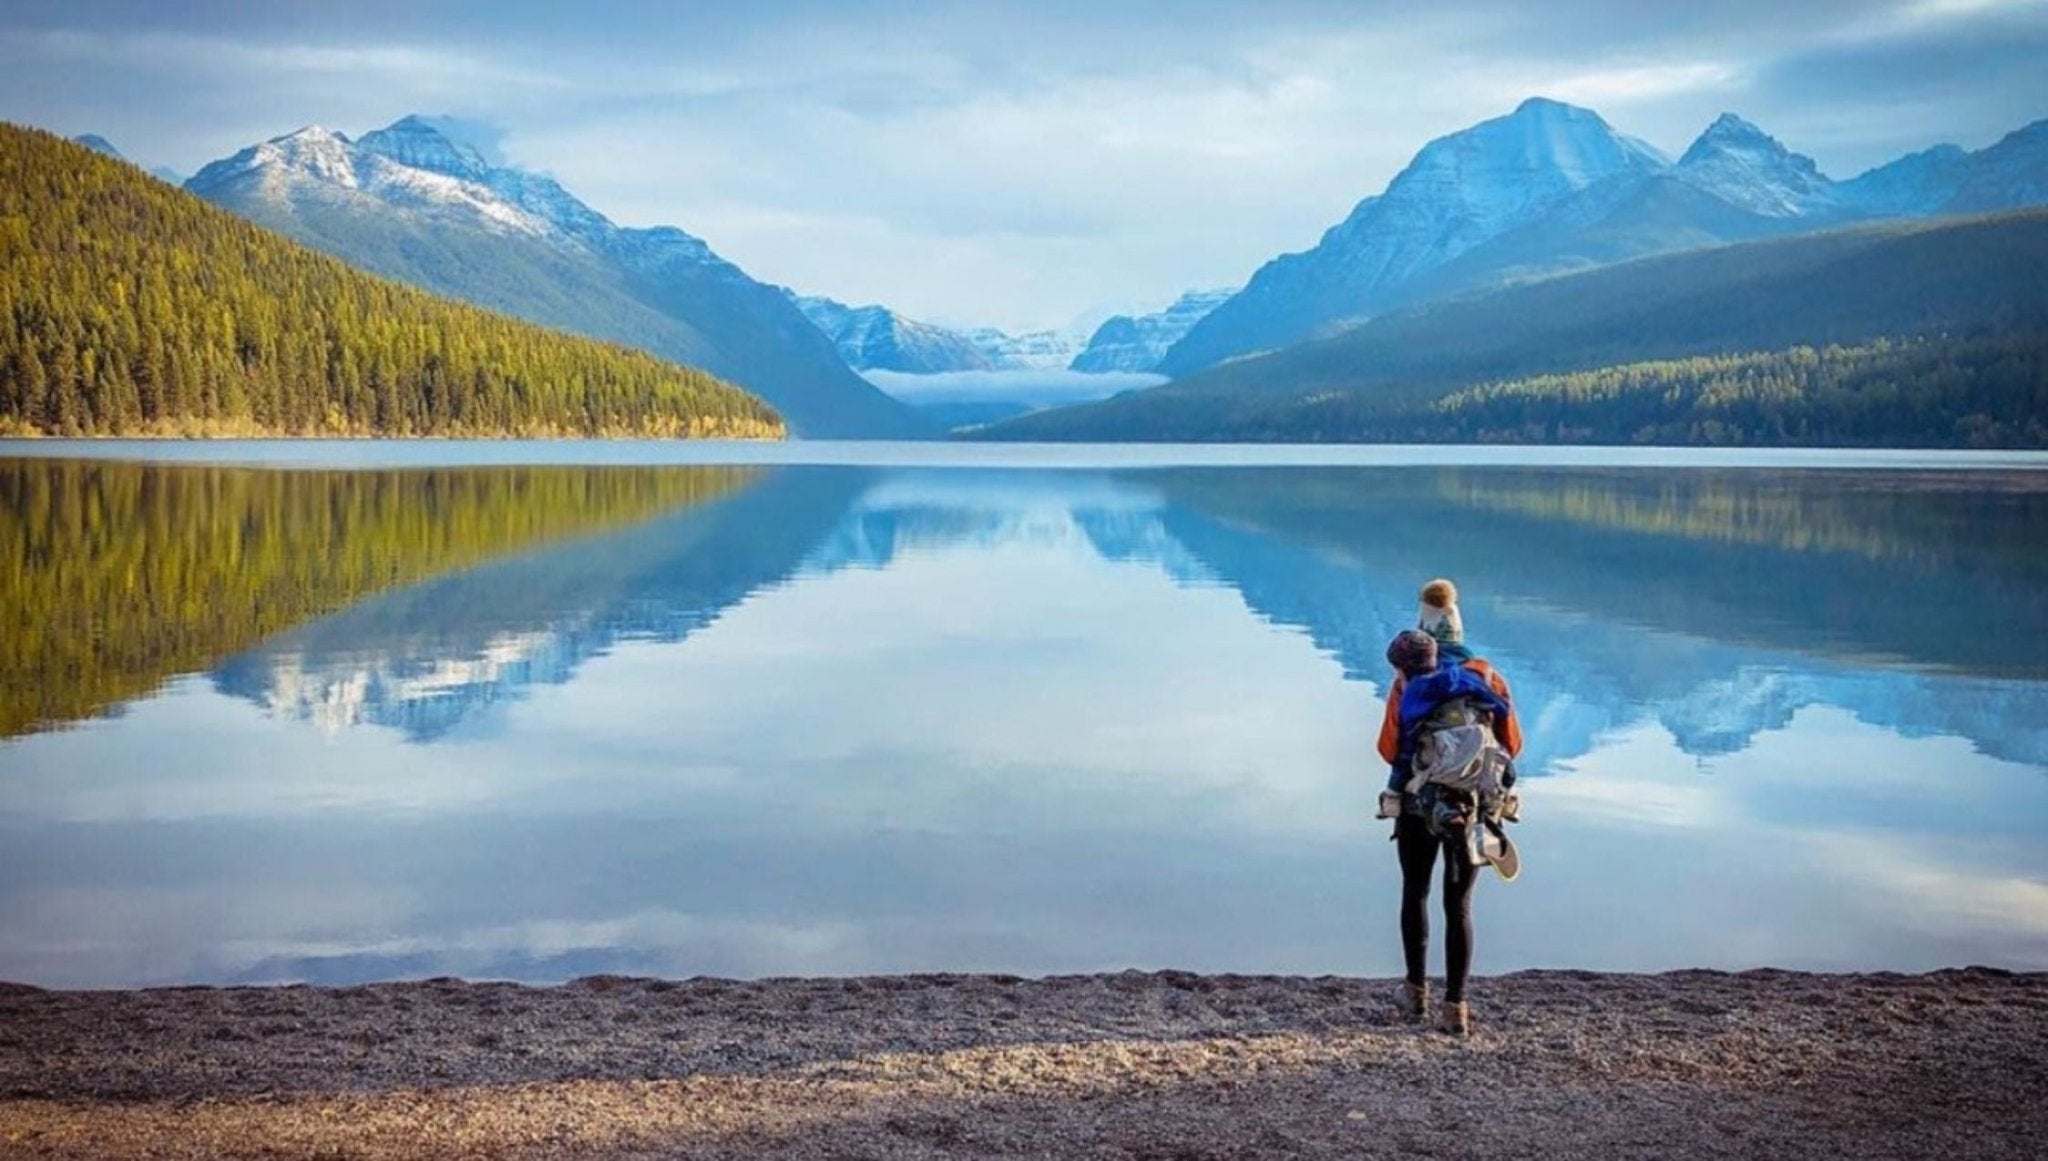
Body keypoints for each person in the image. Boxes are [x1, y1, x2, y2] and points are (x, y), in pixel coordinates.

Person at [1376, 578, 1522, 1036]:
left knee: (1414, 892)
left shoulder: (1410, 682)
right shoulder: (1487, 676)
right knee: (1458, 905)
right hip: (1472, 809)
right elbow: (1512, 745)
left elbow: (1388, 747)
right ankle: (1455, 1007)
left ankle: (1414, 994)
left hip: (1420, 804)